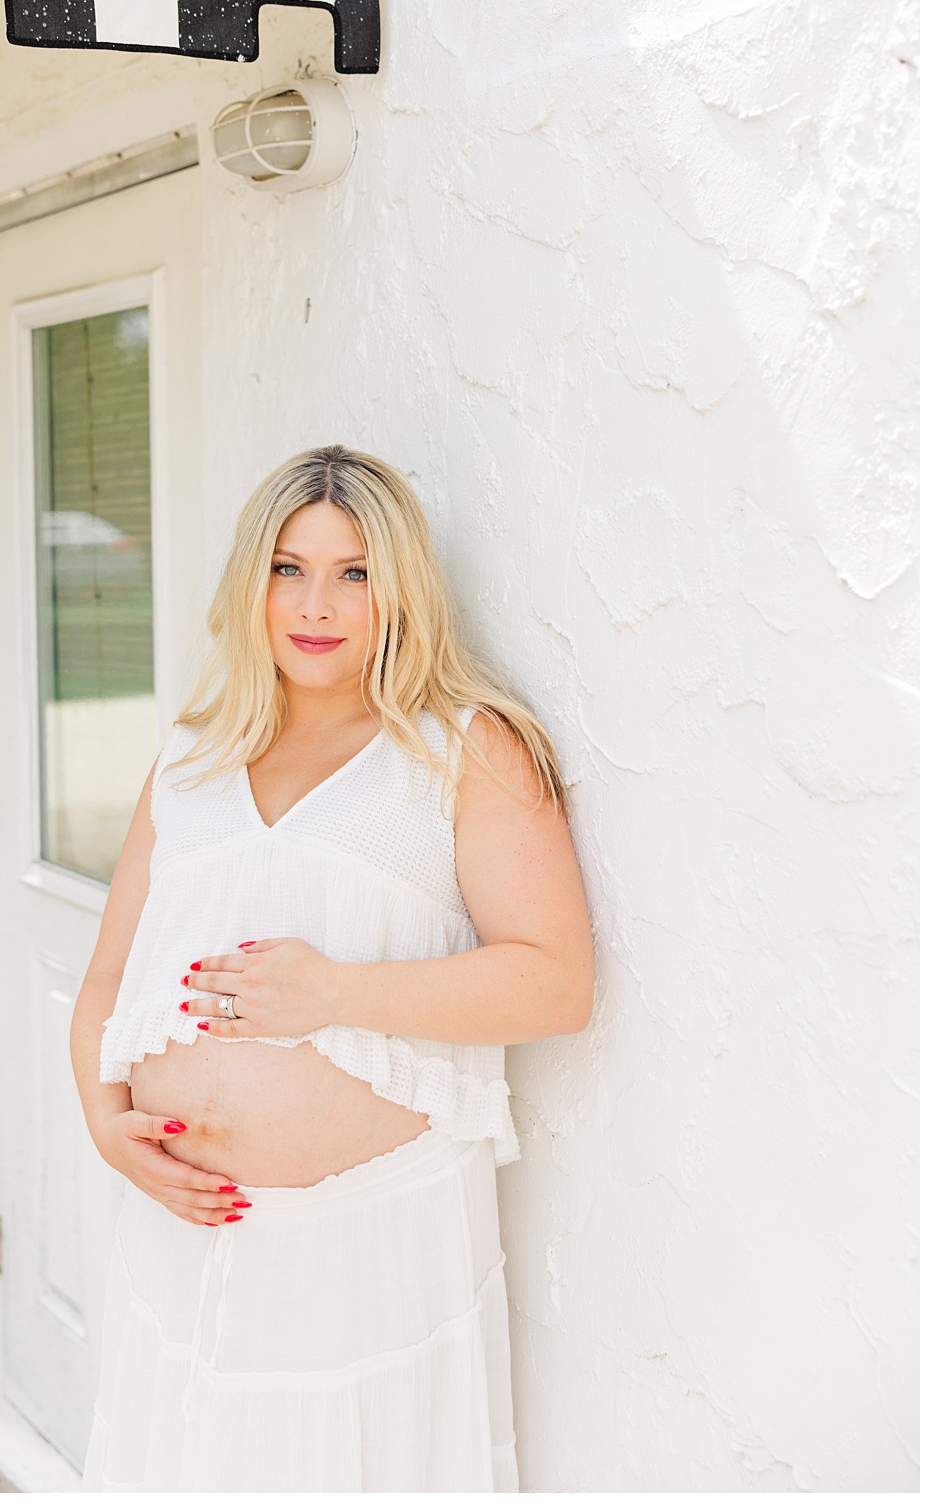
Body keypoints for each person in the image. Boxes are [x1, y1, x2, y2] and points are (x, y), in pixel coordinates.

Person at [71, 444, 593, 1492]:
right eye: (287, 568)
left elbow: (556, 982)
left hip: (368, 1244)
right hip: (182, 1233)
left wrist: (336, 992)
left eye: (355, 572)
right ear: (249, 582)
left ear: (399, 589)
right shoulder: (193, 755)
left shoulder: (463, 748)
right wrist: (106, 1124)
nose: (317, 604)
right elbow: (104, 982)